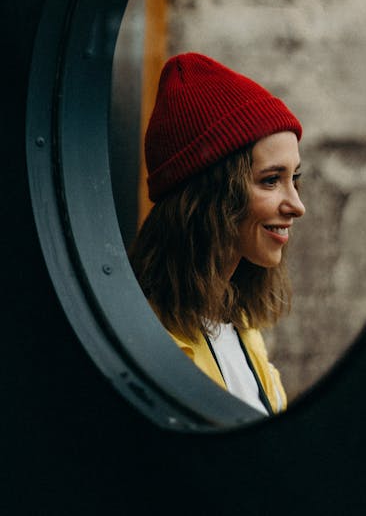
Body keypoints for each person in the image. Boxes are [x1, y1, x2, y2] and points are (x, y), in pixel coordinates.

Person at [129, 52, 305, 416]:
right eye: (271, 180)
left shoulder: (242, 332)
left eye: (295, 179)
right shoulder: (146, 345)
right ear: (212, 195)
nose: (297, 205)